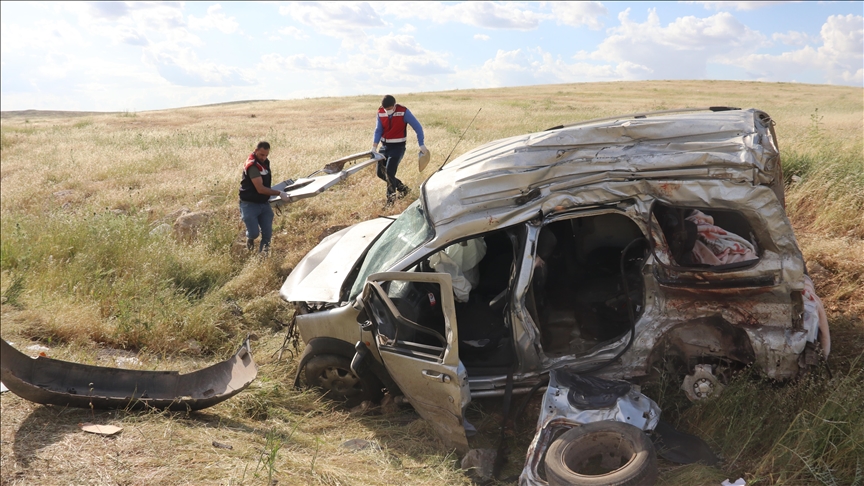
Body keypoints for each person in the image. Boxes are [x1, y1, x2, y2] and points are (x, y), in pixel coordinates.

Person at [372, 95, 428, 205]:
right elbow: (378, 130)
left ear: (394, 106)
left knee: (389, 172)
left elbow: (418, 127)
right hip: (384, 147)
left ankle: (390, 202)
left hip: (398, 148)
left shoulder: (403, 112)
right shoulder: (380, 112)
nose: (387, 111)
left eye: (389, 109)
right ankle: (404, 189)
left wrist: (421, 144)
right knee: (380, 173)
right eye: (385, 109)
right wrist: (374, 147)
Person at [238, 141, 290, 252]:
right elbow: (260, 189)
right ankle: (250, 238)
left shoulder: (265, 162)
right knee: (254, 233)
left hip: (264, 203)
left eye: (266, 155)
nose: (264, 157)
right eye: (261, 154)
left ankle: (263, 257)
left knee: (267, 234)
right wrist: (279, 193)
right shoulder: (252, 166)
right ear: (255, 150)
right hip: (249, 204)